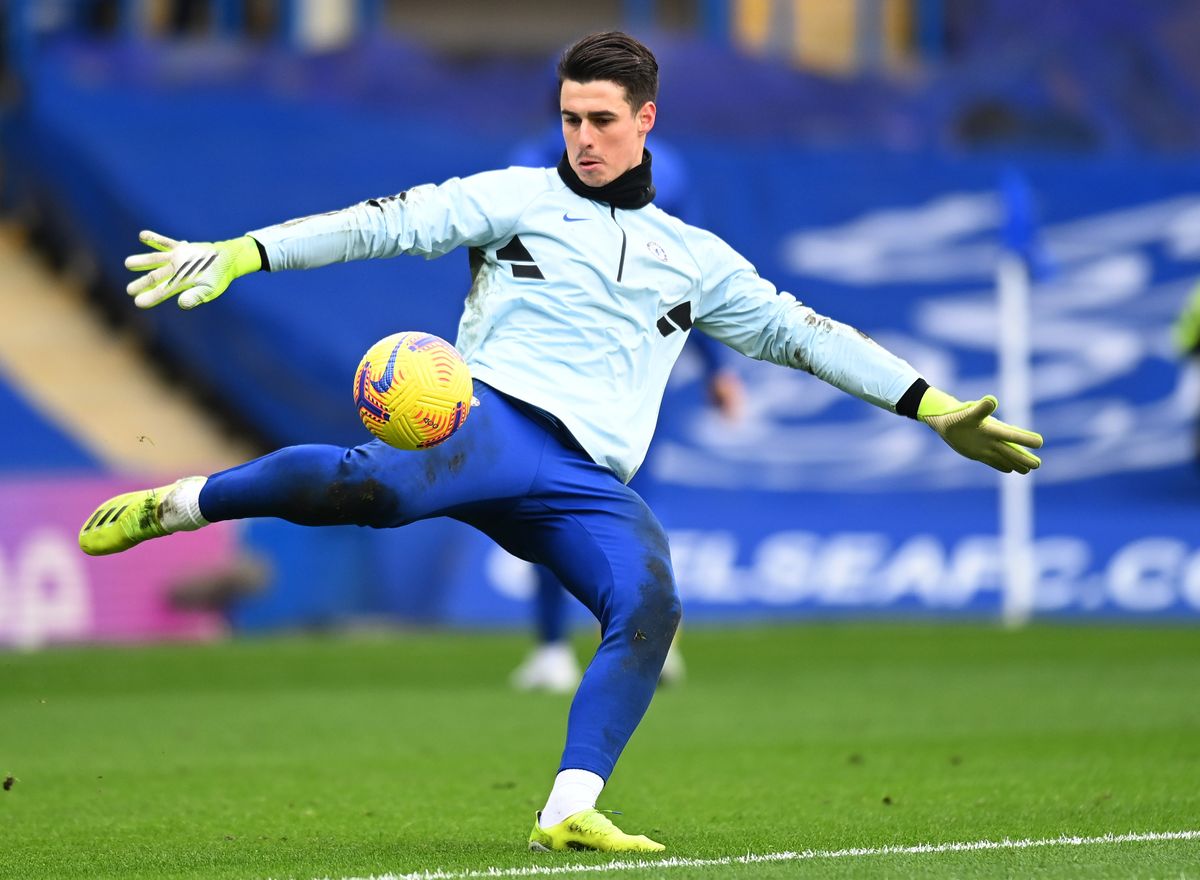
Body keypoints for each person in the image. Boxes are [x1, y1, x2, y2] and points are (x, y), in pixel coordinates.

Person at [78, 31, 1043, 853]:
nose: (582, 138)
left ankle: (570, 811)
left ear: (647, 119)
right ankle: (180, 504)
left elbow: (806, 334)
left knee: (651, 600)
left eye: (602, 121)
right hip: (486, 423)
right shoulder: (516, 197)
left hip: (585, 481)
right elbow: (384, 224)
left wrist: (931, 405)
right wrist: (245, 253)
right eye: (572, 119)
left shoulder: (695, 260)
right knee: (371, 492)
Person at [507, 114, 743, 693]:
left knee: (633, 506)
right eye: (575, 113)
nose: (587, 131)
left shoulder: (668, 173)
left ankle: (647, 640)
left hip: (633, 368)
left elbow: (694, 276)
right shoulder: (531, 166)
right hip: (553, 366)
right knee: (545, 501)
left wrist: (716, 368)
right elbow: (507, 263)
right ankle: (552, 647)